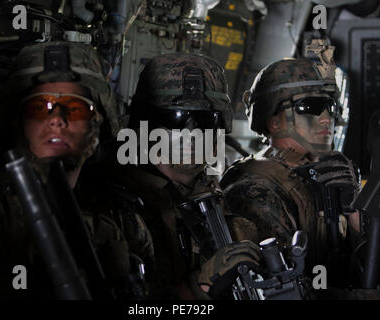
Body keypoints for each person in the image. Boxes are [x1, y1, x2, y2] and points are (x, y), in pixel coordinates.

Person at [0, 41, 147, 299]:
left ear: (97, 126)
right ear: (19, 122)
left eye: (75, 109)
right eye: (40, 107)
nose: (56, 119)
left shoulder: (115, 217)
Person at [86, 53, 262, 300]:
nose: (191, 133)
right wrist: (198, 288)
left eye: (205, 120)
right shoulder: (108, 206)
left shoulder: (217, 197)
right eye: (175, 118)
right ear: (144, 125)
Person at [219, 45, 372, 298]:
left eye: (329, 107)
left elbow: (377, 265)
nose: (326, 119)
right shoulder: (254, 189)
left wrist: (355, 213)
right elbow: (286, 292)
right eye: (310, 107)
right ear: (274, 120)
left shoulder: (330, 173)